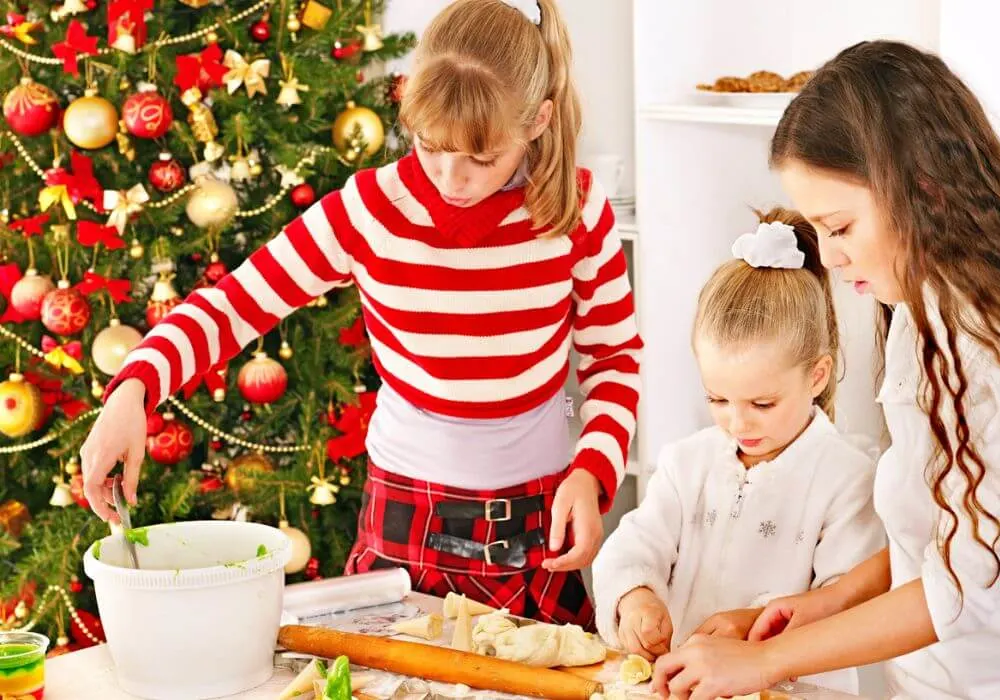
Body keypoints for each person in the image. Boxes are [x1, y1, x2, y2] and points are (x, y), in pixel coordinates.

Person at [79, 0, 641, 629]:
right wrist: (132, 389)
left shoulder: (577, 210)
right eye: (431, 147)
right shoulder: (372, 209)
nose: (452, 178)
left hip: (534, 518)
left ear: (537, 121)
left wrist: (592, 473)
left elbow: (614, 359)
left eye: (481, 158)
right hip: (406, 516)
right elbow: (234, 305)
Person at [652, 40, 1000, 700]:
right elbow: (941, 538)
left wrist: (765, 662)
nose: (832, 259)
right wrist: (828, 601)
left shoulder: (999, 360)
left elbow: (958, 593)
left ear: (922, 192)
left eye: (839, 227)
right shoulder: (919, 312)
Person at [591, 208, 883, 695]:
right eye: (718, 399)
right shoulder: (689, 463)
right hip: (686, 687)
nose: (737, 422)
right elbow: (634, 545)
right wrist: (635, 598)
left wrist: (752, 629)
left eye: (762, 403)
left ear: (817, 375)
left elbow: (845, 608)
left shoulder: (847, 480)